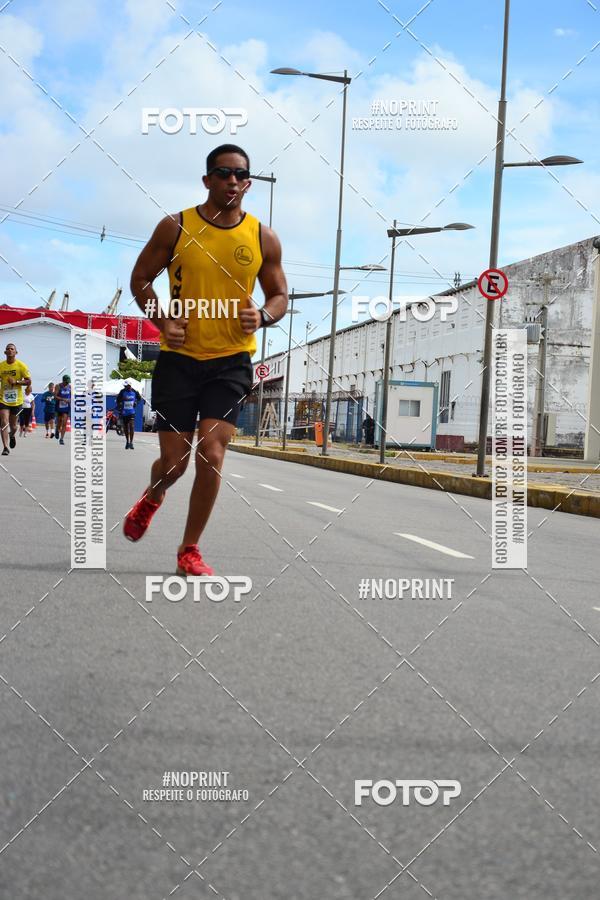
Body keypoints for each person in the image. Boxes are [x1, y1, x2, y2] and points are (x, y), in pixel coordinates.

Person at [124, 143, 288, 575]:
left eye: (239, 174)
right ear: (207, 180)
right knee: (175, 463)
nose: (231, 180)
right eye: (222, 172)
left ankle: (189, 550)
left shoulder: (261, 237)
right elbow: (140, 279)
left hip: (231, 361)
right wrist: (161, 320)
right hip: (179, 360)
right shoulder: (175, 227)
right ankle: (154, 495)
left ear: (248, 183)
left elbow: (279, 295)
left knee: (212, 453)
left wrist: (265, 315)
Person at [0, 343, 31, 456]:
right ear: (5, 352)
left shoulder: (21, 366)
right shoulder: (1, 366)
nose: (9, 350)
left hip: (17, 400)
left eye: (12, 349)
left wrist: (17, 382)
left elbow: (28, 381)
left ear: (15, 352)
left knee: (13, 426)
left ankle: (12, 435)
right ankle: (5, 447)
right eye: (7, 349)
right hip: (3, 399)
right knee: (4, 422)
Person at [116, 381, 142, 449]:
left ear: (130, 385)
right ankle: (127, 442)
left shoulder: (135, 391)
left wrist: (136, 402)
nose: (125, 387)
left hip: (131, 412)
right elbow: (118, 400)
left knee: (132, 426)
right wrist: (120, 405)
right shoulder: (122, 392)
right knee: (126, 428)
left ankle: (131, 443)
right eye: (125, 386)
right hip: (124, 412)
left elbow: (139, 398)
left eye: (126, 386)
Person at [55, 375, 71, 445]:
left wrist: (70, 400)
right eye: (66, 382)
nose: (67, 383)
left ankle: (61, 439)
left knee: (64, 422)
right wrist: (63, 399)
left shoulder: (70, 387)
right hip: (59, 406)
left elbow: (71, 396)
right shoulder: (58, 386)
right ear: (63, 381)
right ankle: (57, 430)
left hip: (66, 407)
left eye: (68, 382)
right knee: (59, 422)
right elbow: (55, 396)